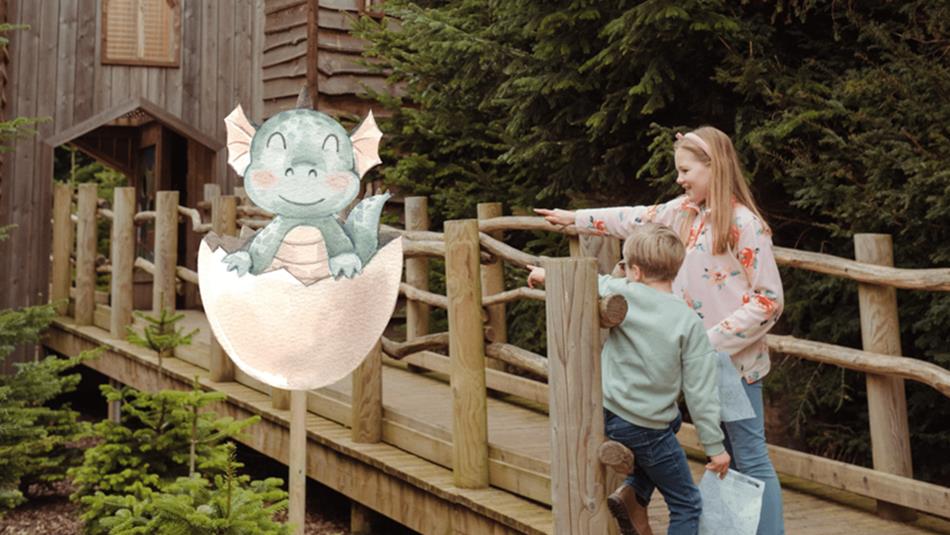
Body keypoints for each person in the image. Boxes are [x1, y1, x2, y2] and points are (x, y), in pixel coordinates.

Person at [536, 126, 785, 535]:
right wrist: (575, 219)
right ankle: (642, 495)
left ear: (714, 167)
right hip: (688, 361)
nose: (680, 179)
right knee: (665, 430)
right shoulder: (682, 212)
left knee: (749, 458)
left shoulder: (745, 225)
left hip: (734, 367)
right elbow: (633, 218)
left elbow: (768, 300)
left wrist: (706, 342)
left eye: (686, 170)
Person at [527, 223, 730, 535]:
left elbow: (590, 281)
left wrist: (545, 275)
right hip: (645, 426)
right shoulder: (688, 321)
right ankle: (634, 492)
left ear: (634, 271)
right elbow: (700, 391)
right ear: (676, 269)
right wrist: (715, 447)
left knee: (672, 421)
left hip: (609, 414)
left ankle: (633, 492)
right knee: (687, 503)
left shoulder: (621, 292)